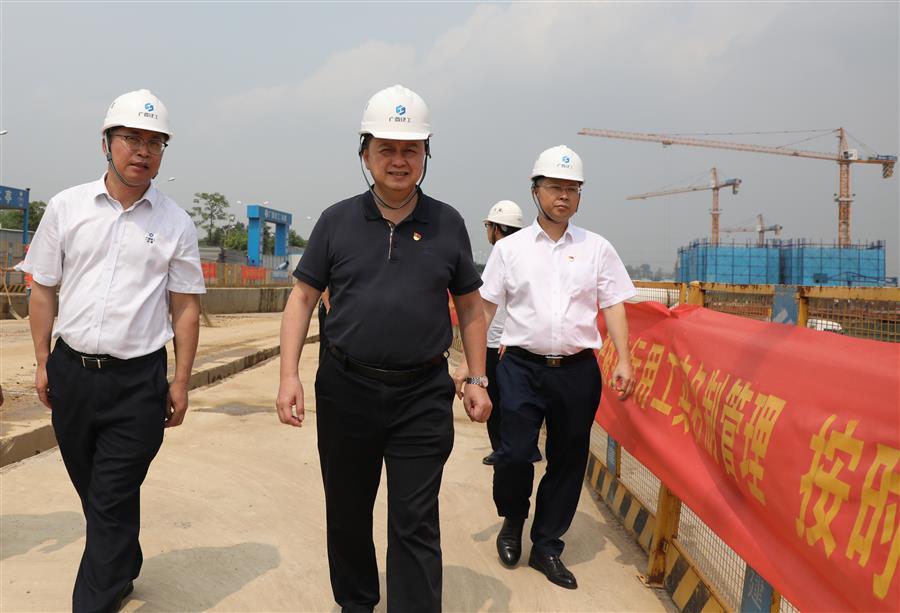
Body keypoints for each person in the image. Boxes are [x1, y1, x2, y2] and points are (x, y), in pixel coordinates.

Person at [275, 84, 491, 613]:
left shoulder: (447, 223)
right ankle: (356, 603)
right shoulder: (337, 220)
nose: (399, 160)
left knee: (415, 518)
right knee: (348, 511)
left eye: (410, 149)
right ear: (365, 154)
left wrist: (477, 377)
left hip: (422, 395)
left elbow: (469, 307)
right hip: (346, 388)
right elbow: (301, 298)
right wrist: (289, 375)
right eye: (386, 149)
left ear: (425, 154)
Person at [18, 89, 204, 612]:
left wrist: (181, 381)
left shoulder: (175, 223)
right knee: (95, 492)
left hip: (138, 384)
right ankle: (123, 563)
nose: (142, 151)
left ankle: (93, 601)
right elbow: (43, 289)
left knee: (111, 493)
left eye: (154, 142)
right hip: (72, 373)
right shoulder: (67, 207)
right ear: (106, 142)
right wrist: (42, 361)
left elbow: (185, 308)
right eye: (131, 138)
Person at [479, 145, 636, 589]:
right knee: (514, 452)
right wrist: (471, 369)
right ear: (536, 191)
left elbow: (614, 304)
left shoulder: (596, 248)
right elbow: (485, 307)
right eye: (554, 187)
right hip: (520, 366)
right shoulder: (510, 249)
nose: (563, 196)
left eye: (572, 188)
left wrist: (624, 359)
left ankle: (547, 545)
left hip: (577, 370)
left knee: (568, 458)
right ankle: (513, 519)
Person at [453, 200, 524, 465]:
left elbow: (482, 309)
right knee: (513, 402)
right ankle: (513, 447)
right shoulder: (527, 252)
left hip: (495, 343)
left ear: (495, 228)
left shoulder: (502, 251)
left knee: (494, 400)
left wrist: (466, 365)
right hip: (515, 344)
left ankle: (503, 449)